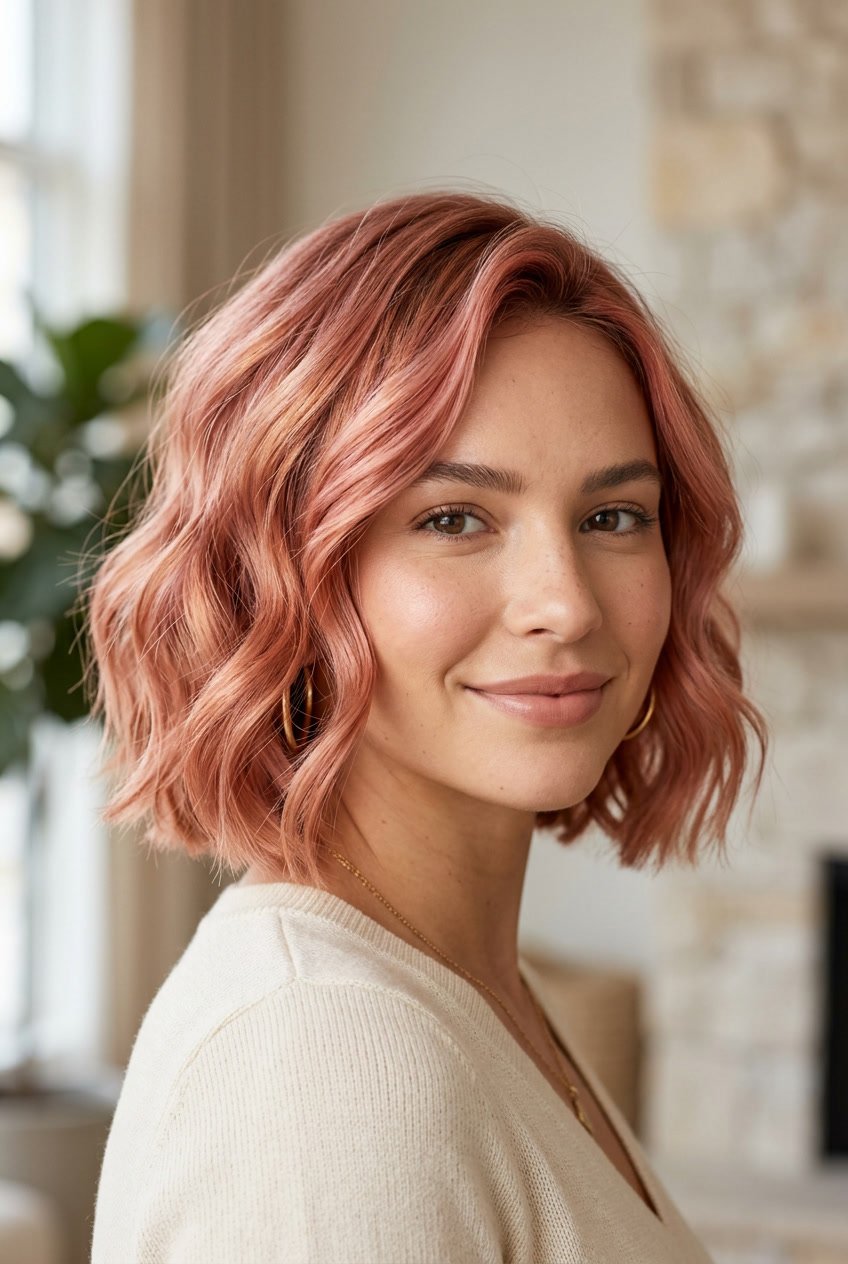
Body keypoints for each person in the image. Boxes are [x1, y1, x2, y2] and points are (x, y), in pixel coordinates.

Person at [86, 189, 768, 1262]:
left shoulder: (467, 989)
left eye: (612, 517)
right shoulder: (324, 1058)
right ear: (282, 573)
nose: (567, 602)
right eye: (453, 518)